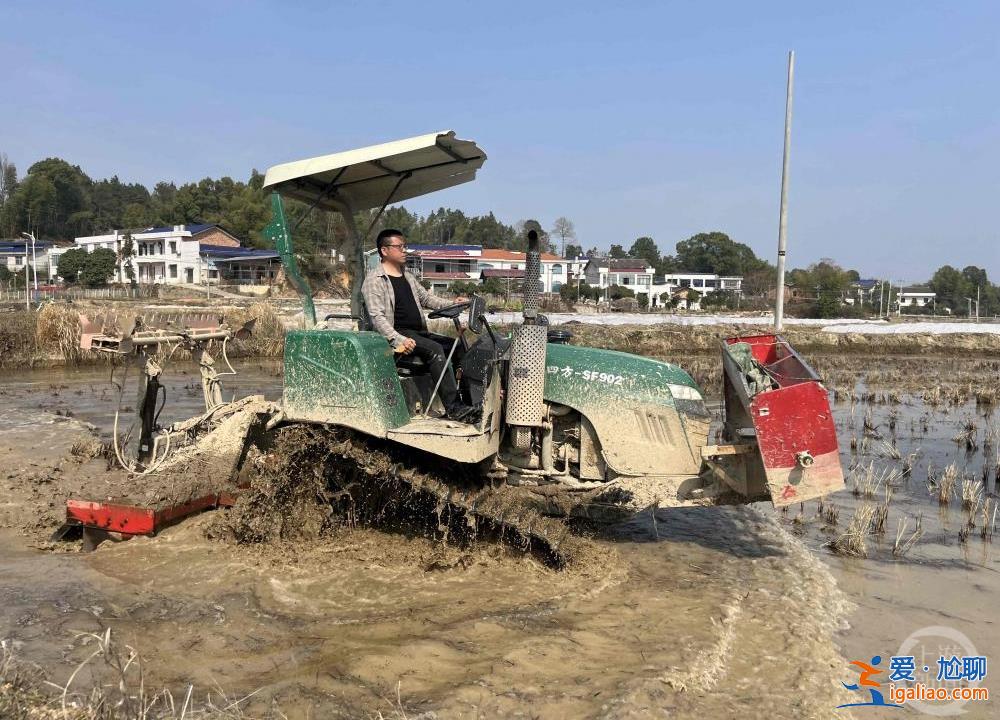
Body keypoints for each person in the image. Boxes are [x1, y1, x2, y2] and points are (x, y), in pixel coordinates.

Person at [361, 228, 480, 422]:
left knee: (458, 347)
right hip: (398, 338)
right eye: (399, 246)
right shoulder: (374, 280)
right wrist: (398, 339)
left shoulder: (407, 276)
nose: (404, 250)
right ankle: (454, 408)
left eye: (404, 246)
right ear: (384, 251)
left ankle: (469, 403)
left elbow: (427, 299)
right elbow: (377, 318)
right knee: (434, 350)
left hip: (417, 333)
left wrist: (453, 303)